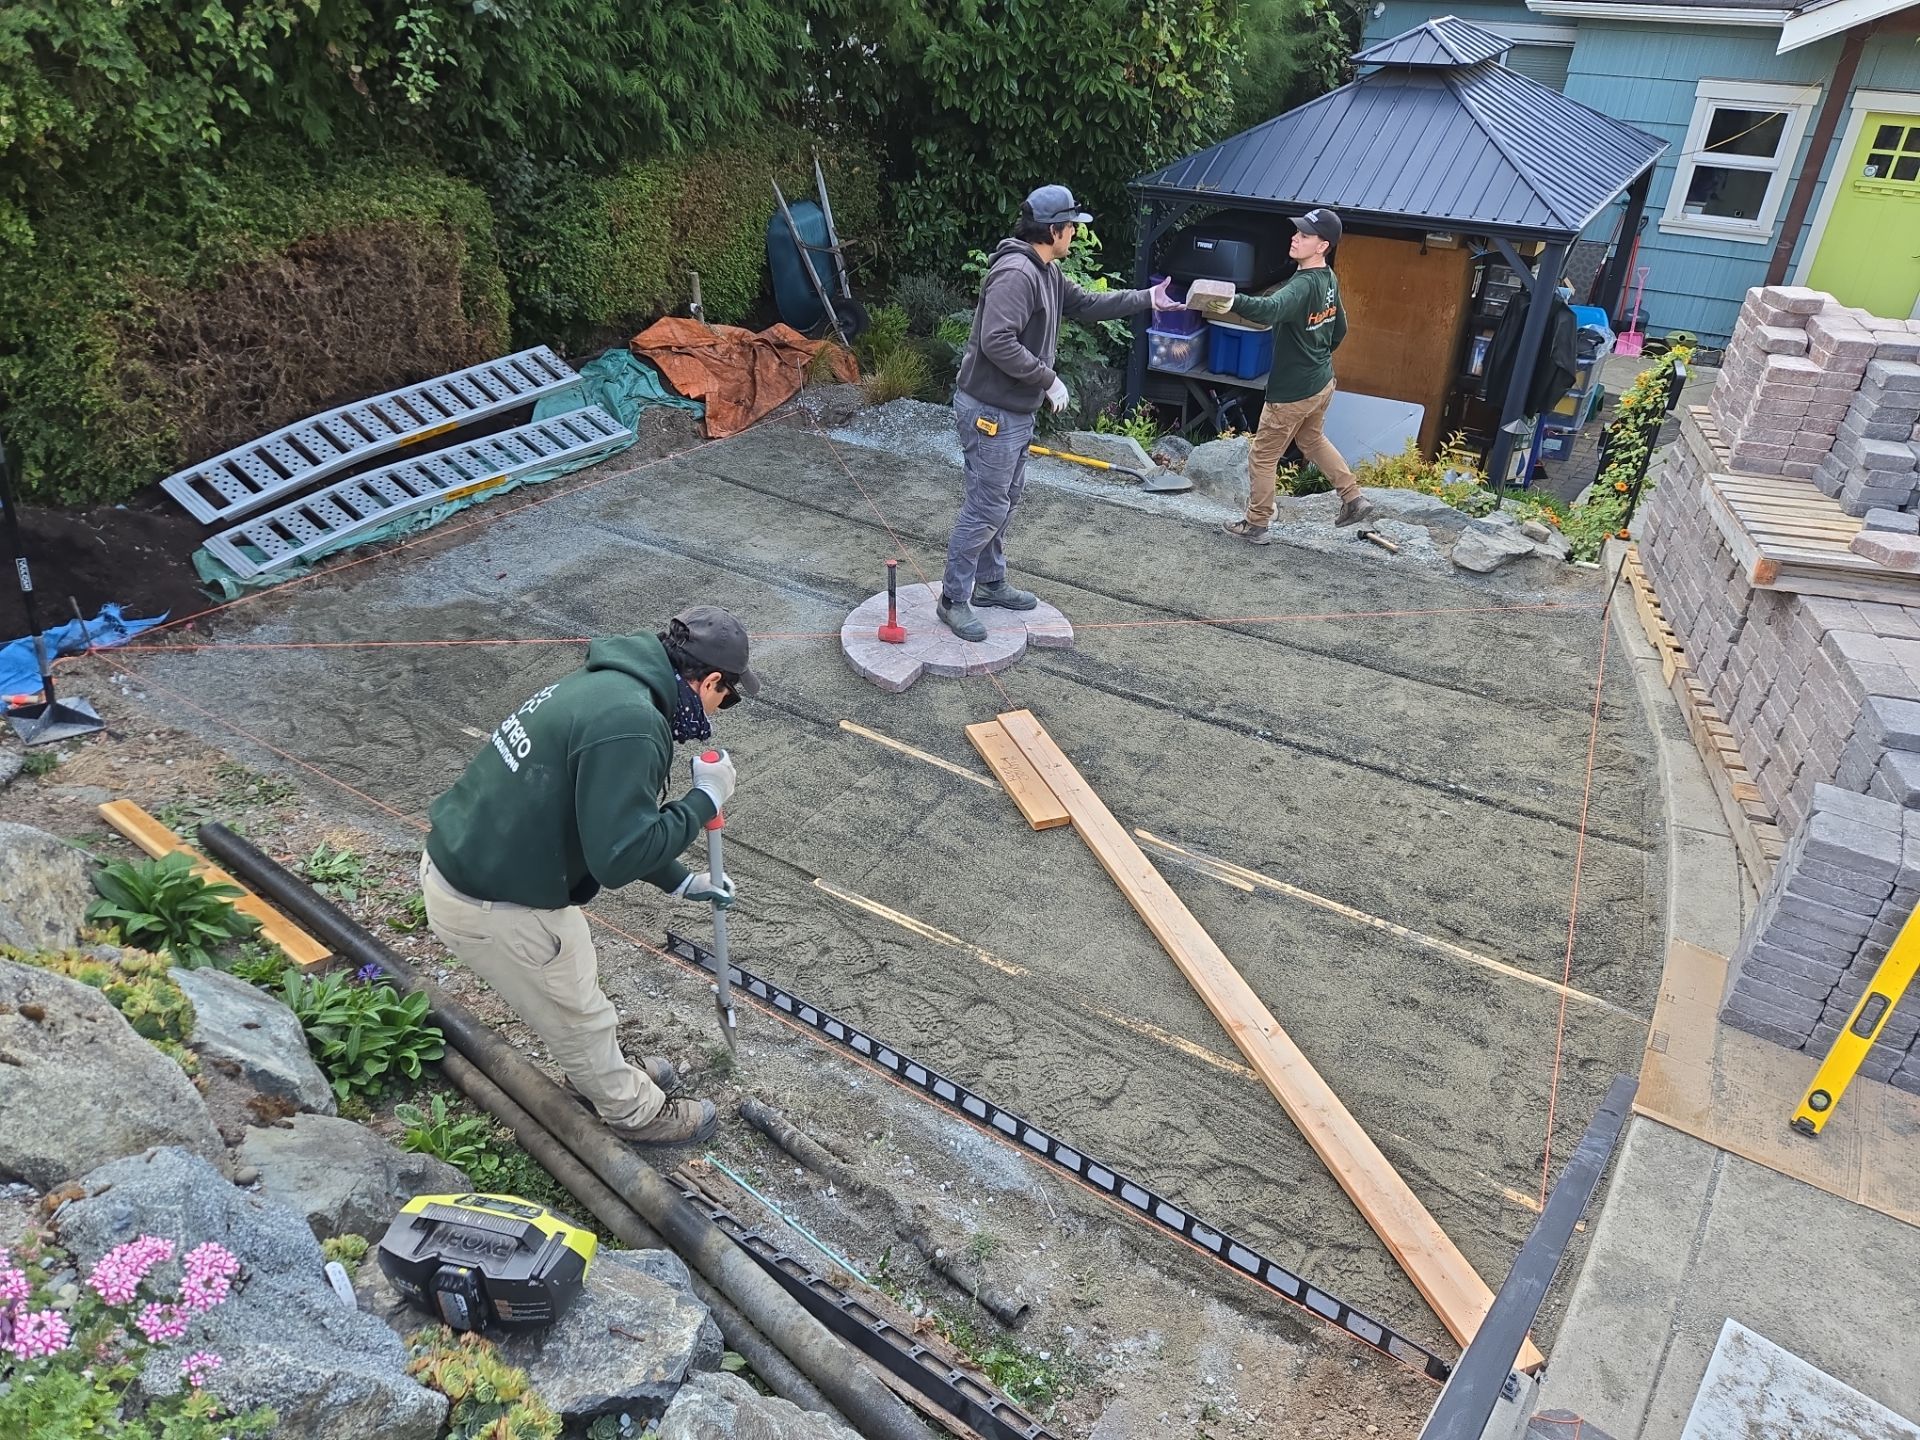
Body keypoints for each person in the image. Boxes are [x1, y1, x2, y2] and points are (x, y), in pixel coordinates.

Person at [419, 606, 761, 1147]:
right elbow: (619, 855)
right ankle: (635, 1114)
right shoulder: (632, 725)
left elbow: (601, 818)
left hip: (476, 862)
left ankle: (605, 1075)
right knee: (578, 1013)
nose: (721, 710)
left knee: (575, 996)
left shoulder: (609, 685)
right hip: (496, 904)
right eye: (727, 697)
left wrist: (679, 880)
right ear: (711, 680)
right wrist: (704, 800)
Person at [940, 184, 1183, 641]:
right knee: (986, 503)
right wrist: (1046, 378)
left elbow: (1088, 304)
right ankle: (953, 598)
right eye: (1072, 226)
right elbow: (997, 341)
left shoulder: (1046, 271)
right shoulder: (1017, 274)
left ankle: (990, 584)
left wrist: (1148, 301)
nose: (1075, 232)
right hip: (990, 411)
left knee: (1005, 497)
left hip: (1012, 409)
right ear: (1053, 230)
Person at [1202, 208, 1377, 545]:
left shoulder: (1301, 287)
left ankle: (1256, 523)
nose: (1295, 237)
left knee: (1263, 456)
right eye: (1296, 232)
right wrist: (1317, 355)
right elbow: (1340, 328)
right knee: (1311, 440)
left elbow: (1269, 311)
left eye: (1305, 235)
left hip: (1292, 391)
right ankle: (1353, 498)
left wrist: (1229, 300)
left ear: (1322, 245)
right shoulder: (1328, 279)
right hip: (1321, 381)